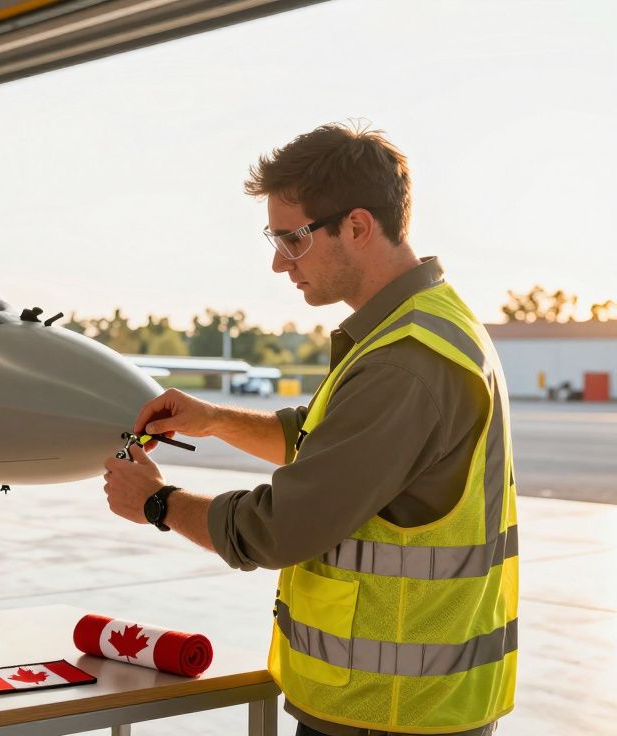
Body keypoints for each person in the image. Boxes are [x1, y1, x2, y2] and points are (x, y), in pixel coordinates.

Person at [102, 123, 516, 736]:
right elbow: (327, 444)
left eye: (292, 239)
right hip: (400, 707)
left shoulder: (406, 362)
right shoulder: (416, 326)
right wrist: (215, 420)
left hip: (391, 713)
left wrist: (157, 503)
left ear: (357, 226)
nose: (278, 262)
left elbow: (279, 528)